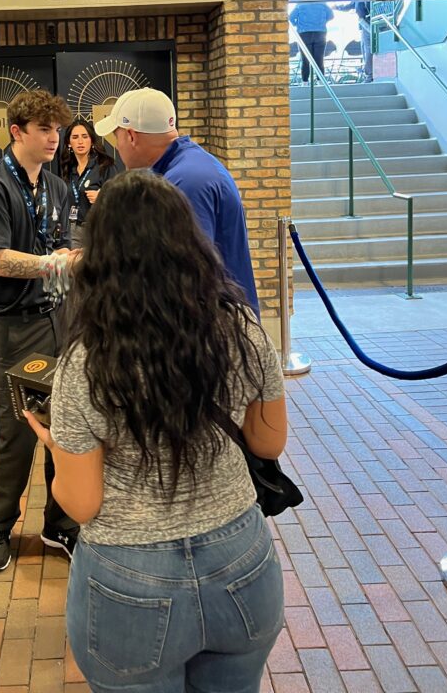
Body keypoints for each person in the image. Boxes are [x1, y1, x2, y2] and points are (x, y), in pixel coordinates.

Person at [25, 170, 287, 693]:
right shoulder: (241, 326)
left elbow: (82, 504)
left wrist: (55, 445)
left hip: (129, 575)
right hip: (241, 559)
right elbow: (267, 442)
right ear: (189, 242)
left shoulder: (86, 360)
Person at [0, 89, 79, 572]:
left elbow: (69, 246)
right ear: (17, 132)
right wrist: (53, 264)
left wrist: (69, 260)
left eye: (57, 130)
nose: (55, 138)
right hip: (15, 327)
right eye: (44, 130)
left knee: (67, 426)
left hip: (61, 320)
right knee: (18, 431)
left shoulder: (56, 186)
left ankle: (62, 523)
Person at [95, 88, 259, 316]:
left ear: (131, 136)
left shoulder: (186, 182)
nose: (118, 146)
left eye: (117, 136)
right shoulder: (187, 166)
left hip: (214, 332)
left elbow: (184, 277)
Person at [59, 119, 119, 248]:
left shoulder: (105, 166)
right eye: (75, 137)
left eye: (84, 137)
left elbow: (119, 198)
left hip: (98, 229)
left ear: (91, 140)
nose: (80, 141)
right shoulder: (67, 168)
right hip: (72, 229)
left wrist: (101, 197)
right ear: (69, 143)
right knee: (74, 266)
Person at [288, 1, 334, 81]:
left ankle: (305, 82)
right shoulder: (322, 3)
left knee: (305, 60)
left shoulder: (300, 4)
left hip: (304, 33)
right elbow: (331, 16)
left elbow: (291, 17)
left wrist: (296, 24)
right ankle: (320, 81)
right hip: (320, 32)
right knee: (319, 60)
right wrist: (323, 22)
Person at [353, 1, 373, 82]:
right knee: (367, 49)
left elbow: (360, 14)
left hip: (367, 22)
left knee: (367, 49)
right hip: (370, 22)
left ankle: (369, 74)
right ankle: (369, 73)